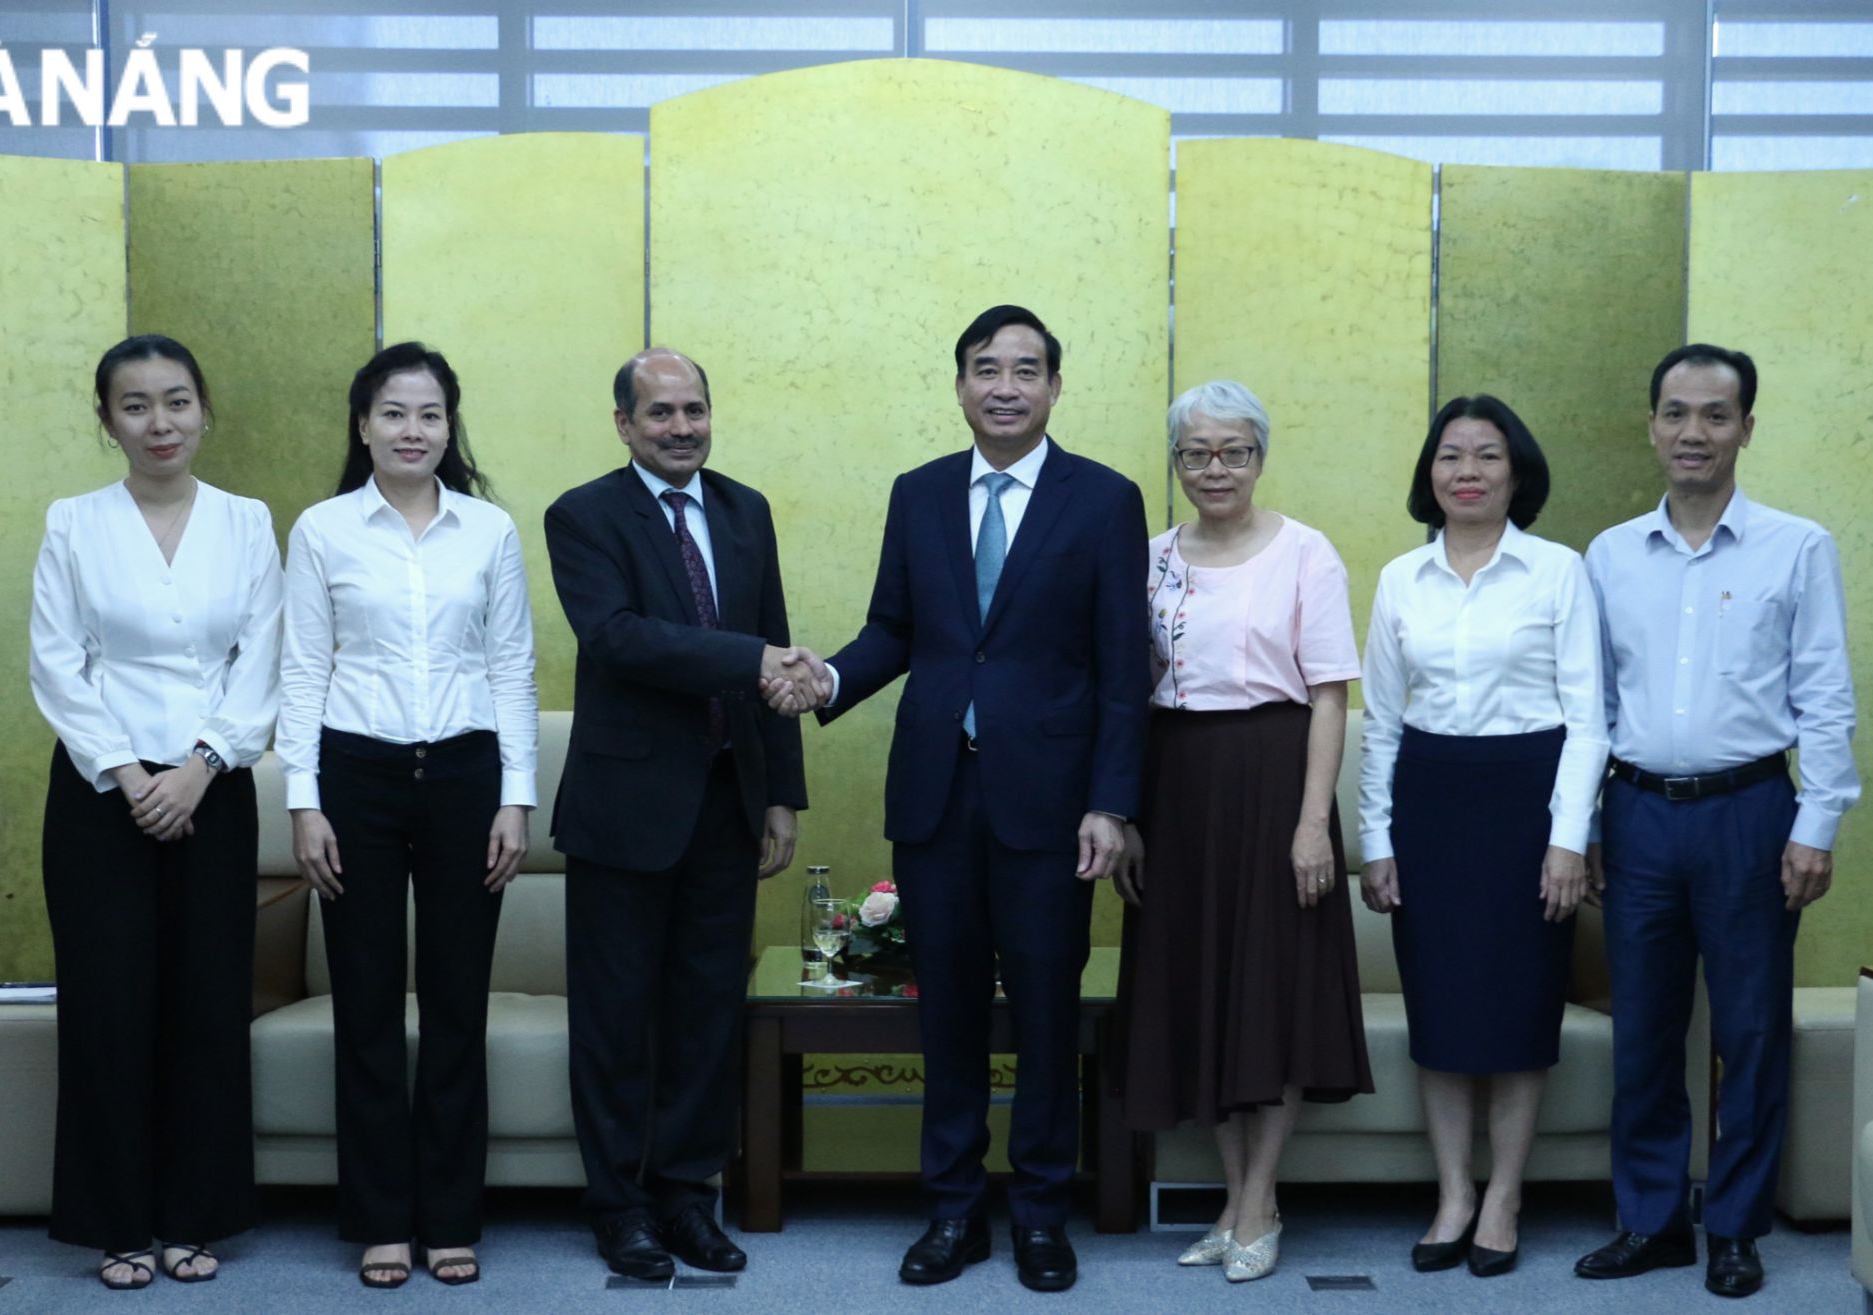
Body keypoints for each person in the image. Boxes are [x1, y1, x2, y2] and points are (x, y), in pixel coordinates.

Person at [785, 305, 1149, 1292]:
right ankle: (950, 1211)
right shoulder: (919, 494)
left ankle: (1037, 1213)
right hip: (936, 796)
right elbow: (893, 629)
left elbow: (1123, 669)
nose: (1003, 385)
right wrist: (827, 680)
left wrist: (1111, 803)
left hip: (1054, 802)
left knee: (1041, 1010)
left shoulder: (1105, 500)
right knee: (942, 1015)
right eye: (984, 368)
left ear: (1054, 387)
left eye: (1024, 369)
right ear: (958, 385)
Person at [1574, 345, 1857, 1300]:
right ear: (1650, 424)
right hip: (1639, 813)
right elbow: (1592, 708)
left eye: (1715, 415)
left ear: (1745, 426)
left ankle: (1735, 1226)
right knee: (1645, 1033)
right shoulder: (1608, 555)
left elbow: (1826, 695)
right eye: (1675, 413)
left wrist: (1817, 818)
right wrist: (1590, 823)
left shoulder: (1797, 546)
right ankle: (1652, 1221)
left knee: (1750, 1029)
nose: (1693, 432)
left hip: (1752, 812)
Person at [278, 342, 538, 1289]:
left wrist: (516, 797)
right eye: (393, 413)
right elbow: (301, 671)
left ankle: (451, 1216)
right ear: (363, 425)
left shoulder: (489, 531)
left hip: (468, 777)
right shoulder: (321, 530)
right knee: (368, 1002)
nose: (412, 431)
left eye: (429, 415)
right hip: (356, 778)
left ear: (448, 426)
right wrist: (304, 802)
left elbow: (512, 666)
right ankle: (382, 1218)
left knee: (458, 1005)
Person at [544, 348, 808, 1282]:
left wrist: (780, 792)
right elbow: (615, 637)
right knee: (616, 1019)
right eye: (660, 413)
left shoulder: (745, 510)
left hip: (726, 804)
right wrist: (750, 662)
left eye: (694, 409)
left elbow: (771, 641)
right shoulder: (583, 514)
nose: (681, 427)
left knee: (706, 1015)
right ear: (624, 424)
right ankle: (619, 1208)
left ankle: (687, 1197)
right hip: (625, 809)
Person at [30, 334, 283, 1289]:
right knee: (108, 1005)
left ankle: (195, 1216)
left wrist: (200, 766)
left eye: (176, 401)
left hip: (212, 792)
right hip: (102, 796)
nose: (159, 422)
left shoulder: (248, 520)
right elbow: (57, 661)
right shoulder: (73, 522)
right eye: (134, 405)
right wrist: (133, 776)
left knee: (207, 1004)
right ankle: (118, 1223)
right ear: (107, 421)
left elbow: (261, 655)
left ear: (204, 409)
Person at [1110, 380, 1372, 1284]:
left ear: (1260, 457)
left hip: (1273, 777)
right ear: (1176, 461)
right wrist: (1131, 815)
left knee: (1274, 990)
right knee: (1200, 988)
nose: (1214, 468)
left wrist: (1312, 825)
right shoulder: (1148, 558)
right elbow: (1125, 692)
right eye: (1196, 452)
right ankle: (1231, 1198)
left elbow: (1331, 694)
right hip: (1174, 782)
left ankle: (1260, 1198)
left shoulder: (1306, 553)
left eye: (1234, 451)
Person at [1357, 395, 1605, 1280]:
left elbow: (1589, 720)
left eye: (1488, 455)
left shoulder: (1558, 571)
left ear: (1516, 471)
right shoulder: (1398, 578)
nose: (1467, 469)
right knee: (1443, 1007)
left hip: (1525, 801)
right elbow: (1381, 722)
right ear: (1430, 474)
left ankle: (1505, 1194)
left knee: (1518, 1006)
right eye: (1451, 454)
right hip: (1429, 802)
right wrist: (1375, 839)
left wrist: (1568, 839)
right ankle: (1453, 1192)